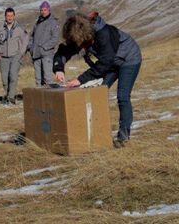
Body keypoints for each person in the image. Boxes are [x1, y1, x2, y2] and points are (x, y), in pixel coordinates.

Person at [53, 12, 142, 148]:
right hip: (112, 62)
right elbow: (63, 51)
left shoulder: (103, 34)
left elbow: (105, 63)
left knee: (123, 96)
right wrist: (59, 68)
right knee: (97, 93)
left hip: (129, 59)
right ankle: (96, 134)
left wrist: (80, 80)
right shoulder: (77, 35)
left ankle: (123, 138)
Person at [0, 7, 28, 105]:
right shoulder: (0, 29)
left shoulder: (19, 28)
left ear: (14, 16)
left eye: (11, 16)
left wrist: (21, 53)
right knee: (4, 79)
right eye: (8, 16)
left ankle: (11, 97)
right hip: (3, 57)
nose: (10, 17)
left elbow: (25, 40)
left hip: (15, 56)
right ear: (5, 16)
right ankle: (7, 94)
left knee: (13, 76)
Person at [28, 1, 60, 87]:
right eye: (41, 10)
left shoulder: (53, 22)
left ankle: (51, 99)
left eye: (45, 10)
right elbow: (32, 36)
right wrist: (31, 47)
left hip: (46, 54)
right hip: (36, 54)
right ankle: (40, 99)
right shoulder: (38, 22)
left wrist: (44, 47)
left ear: (49, 10)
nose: (43, 11)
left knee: (48, 79)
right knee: (38, 80)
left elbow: (55, 38)